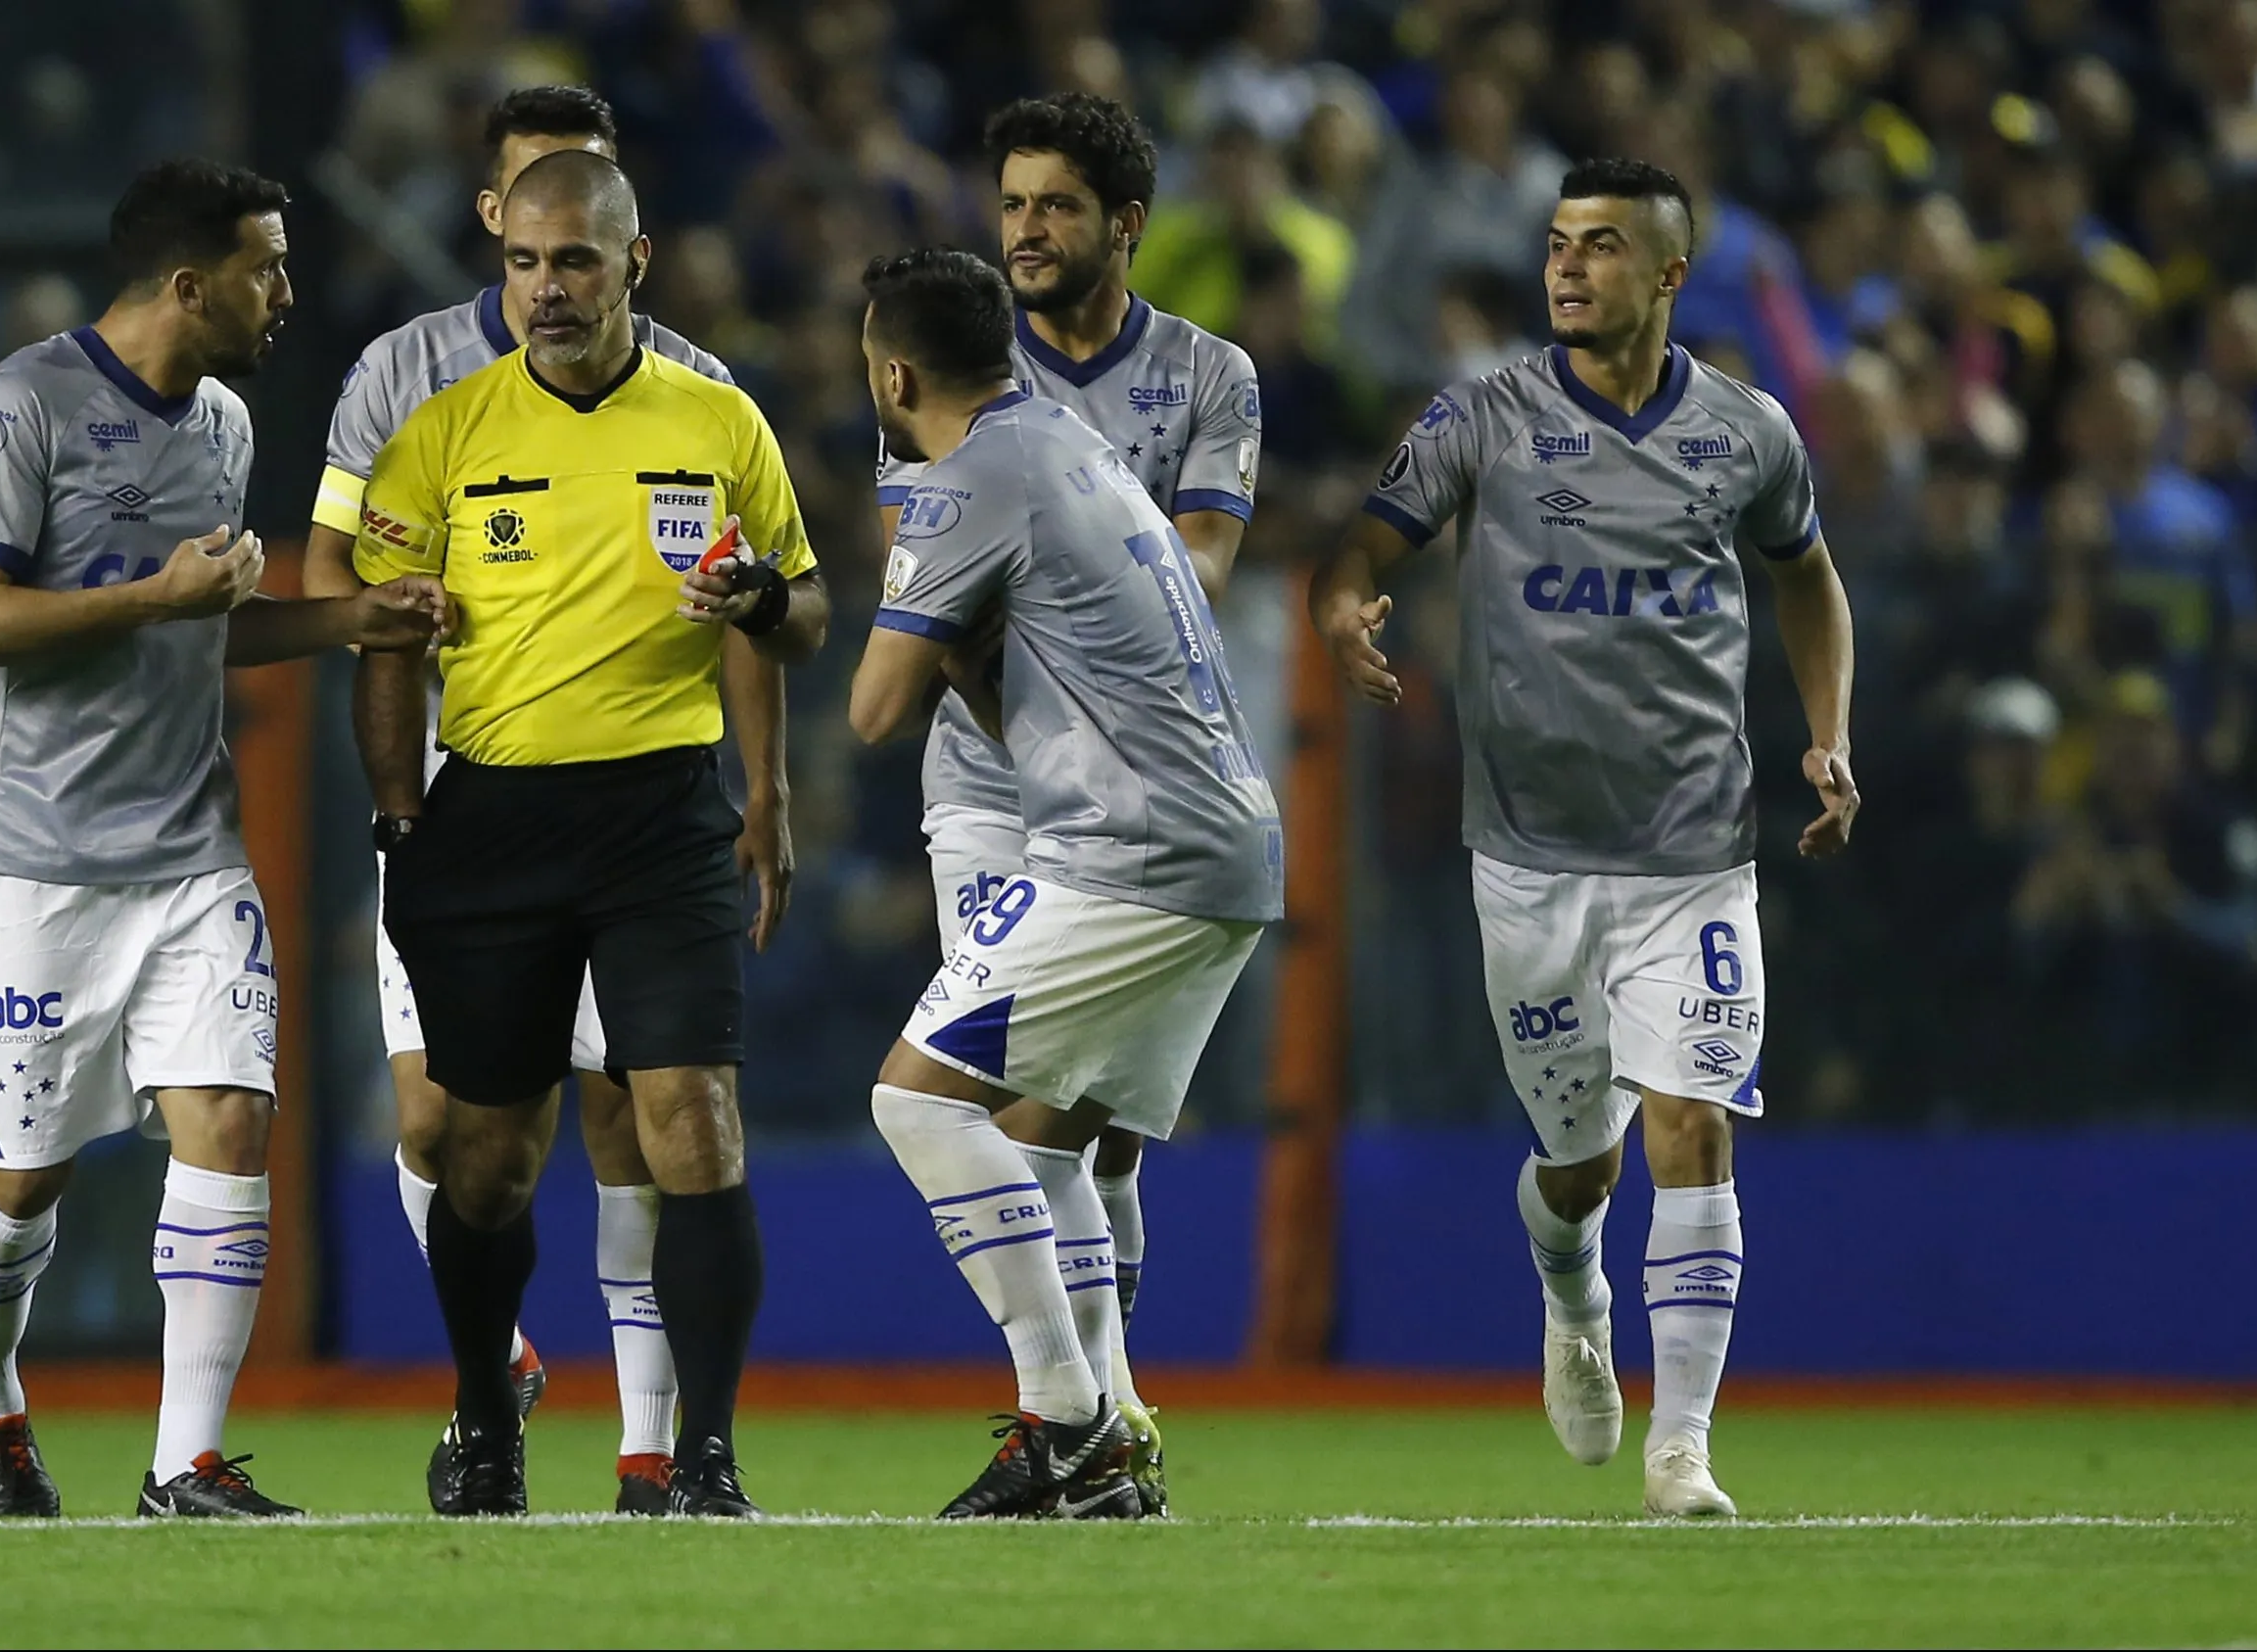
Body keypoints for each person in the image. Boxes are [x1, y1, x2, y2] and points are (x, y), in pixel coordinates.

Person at [1312, 159, 1860, 1518]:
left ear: (1669, 275)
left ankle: (1685, 1447)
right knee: (1582, 1165)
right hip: (1531, 858)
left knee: (1692, 1127)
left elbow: (1809, 581)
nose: (1568, 267)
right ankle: (1573, 1294)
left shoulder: (1748, 432)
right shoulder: (1484, 416)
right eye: (1559, 244)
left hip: (1695, 847)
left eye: (1603, 246)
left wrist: (1829, 731)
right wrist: (1344, 606)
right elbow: (1362, 544)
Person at [0, 158, 447, 1520]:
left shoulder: (220, 421)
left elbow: (207, 618)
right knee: (28, 1164)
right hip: (26, 852)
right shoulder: (18, 409)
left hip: (188, 847)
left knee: (231, 1114)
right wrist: (156, 593)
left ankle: (185, 1463)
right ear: (188, 282)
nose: (287, 294)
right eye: (269, 268)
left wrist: (348, 621)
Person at [305, 84, 784, 1513]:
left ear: (630, 242)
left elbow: (760, 606)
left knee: (660, 1116)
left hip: (651, 798)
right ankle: (491, 1391)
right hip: (476, 794)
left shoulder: (706, 394)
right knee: (458, 1141)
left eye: (583, 237)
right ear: (493, 222)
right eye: (530, 235)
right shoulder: (412, 390)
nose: (553, 264)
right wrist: (400, 785)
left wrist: (766, 793)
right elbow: (346, 590)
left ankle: (674, 1448)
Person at [873, 91, 1263, 1513]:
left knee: (1088, 1130)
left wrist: (1050, 596)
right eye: (1015, 203)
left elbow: (1199, 591)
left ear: (1125, 226)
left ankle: (1094, 1418)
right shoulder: (948, 364)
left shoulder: (1209, 376)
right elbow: (917, 588)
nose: (1029, 230)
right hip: (992, 789)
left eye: (1057, 206)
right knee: (1026, 1114)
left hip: (1132, 791)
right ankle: (1102, 1421)